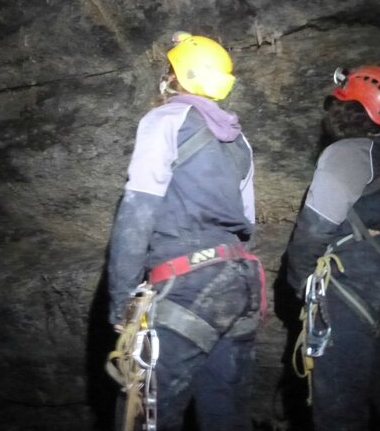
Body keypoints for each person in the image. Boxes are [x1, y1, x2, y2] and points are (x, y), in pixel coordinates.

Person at [107, 33, 264, 431]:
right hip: (239, 283)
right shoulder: (239, 141)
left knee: (147, 415)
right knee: (227, 416)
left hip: (187, 284)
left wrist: (122, 303)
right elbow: (247, 224)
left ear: (172, 78)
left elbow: (138, 210)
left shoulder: (165, 120)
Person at [285, 65, 380, 431]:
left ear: (349, 111)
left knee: (339, 412)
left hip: (349, 288)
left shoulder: (348, 153)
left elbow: (314, 229)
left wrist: (299, 283)